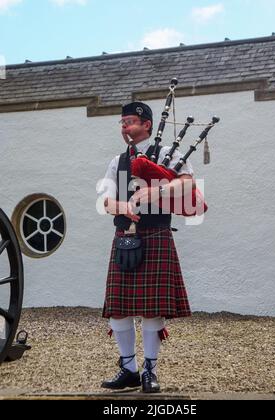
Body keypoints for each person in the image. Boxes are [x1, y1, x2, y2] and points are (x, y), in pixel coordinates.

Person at [97, 101, 199, 393]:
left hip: (156, 234)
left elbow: (188, 185)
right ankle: (129, 369)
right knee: (118, 309)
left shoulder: (169, 155)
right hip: (124, 237)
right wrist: (121, 206)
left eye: (129, 121)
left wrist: (157, 189)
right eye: (122, 123)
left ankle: (149, 371)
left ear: (147, 125)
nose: (124, 127)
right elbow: (105, 201)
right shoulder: (117, 160)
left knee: (152, 310)